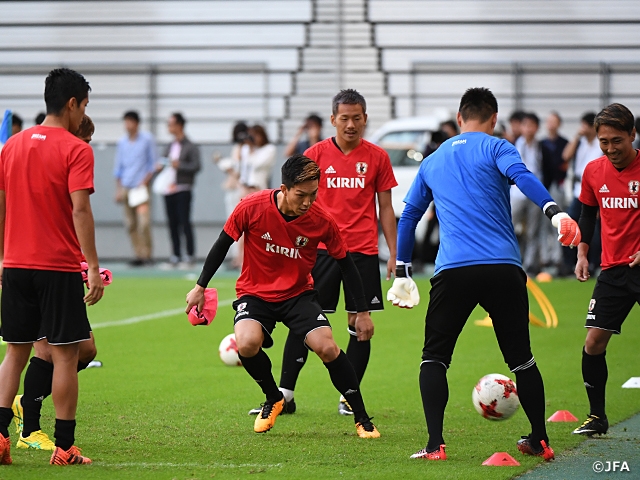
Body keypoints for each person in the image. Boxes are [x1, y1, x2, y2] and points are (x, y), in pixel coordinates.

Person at [387, 87, 581, 461]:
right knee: (522, 359)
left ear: (459, 119)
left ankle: (434, 446)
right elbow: (523, 178)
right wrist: (555, 211)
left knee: (434, 359)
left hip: (453, 270)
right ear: (493, 119)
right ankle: (540, 440)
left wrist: (402, 271)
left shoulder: (433, 159)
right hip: (502, 268)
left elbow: (409, 216)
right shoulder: (498, 147)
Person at [185, 154, 380, 438]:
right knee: (247, 343)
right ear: (284, 188)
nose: (307, 202)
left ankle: (362, 417)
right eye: (301, 195)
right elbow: (223, 243)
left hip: (298, 295)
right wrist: (200, 286)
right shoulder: (251, 206)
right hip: (255, 294)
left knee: (326, 347)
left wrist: (362, 311)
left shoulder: (322, 220)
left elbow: (346, 265)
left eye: (313, 195)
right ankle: (274, 398)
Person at [249, 89, 397, 417]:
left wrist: (393, 253)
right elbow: (292, 203)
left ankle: (349, 396)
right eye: (344, 118)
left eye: (357, 118)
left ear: (365, 119)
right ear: (333, 120)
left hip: (361, 252)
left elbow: (385, 207)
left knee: (361, 324)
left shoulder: (377, 157)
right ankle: (284, 395)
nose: (350, 124)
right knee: (303, 322)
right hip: (318, 251)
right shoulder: (314, 154)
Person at [0, 67, 102, 466]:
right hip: (57, 267)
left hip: (16, 265)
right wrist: (92, 265)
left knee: (14, 354)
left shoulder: (11, 146)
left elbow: (2, 206)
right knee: (64, 356)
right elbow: (80, 209)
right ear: (73, 103)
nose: (83, 116)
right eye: (85, 107)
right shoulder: (77, 149)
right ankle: (64, 447)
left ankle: (1, 438)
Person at [571, 103, 640, 437]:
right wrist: (582, 253)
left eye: (617, 140)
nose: (611, 148)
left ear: (632, 135)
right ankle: (596, 417)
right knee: (594, 342)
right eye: (604, 141)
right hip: (613, 271)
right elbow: (587, 214)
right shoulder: (593, 171)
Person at [113, 110, 157, 266]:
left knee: (143, 222)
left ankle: (147, 254)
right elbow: (118, 168)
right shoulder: (122, 142)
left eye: (130, 121)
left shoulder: (147, 140)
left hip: (140, 187)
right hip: (126, 186)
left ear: (137, 123)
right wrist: (118, 190)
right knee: (130, 224)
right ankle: (138, 254)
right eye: (126, 122)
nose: (127, 125)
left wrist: (145, 181)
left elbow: (153, 164)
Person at [562, 112, 602, 273]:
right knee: (570, 225)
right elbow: (565, 156)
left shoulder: (601, 143)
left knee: (594, 228)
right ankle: (569, 263)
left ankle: (594, 263)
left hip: (596, 189)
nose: (584, 128)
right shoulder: (580, 143)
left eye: (587, 125)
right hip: (578, 189)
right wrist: (577, 136)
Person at [162, 112, 201, 268]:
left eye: (171, 124)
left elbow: (196, 166)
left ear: (179, 125)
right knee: (172, 223)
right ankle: (176, 255)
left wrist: (180, 166)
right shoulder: (170, 146)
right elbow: (165, 163)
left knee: (184, 221)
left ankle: (189, 255)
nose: (169, 127)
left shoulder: (190, 146)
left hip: (183, 188)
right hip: (168, 188)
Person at [511, 113, 544, 275]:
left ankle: (530, 265)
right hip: (516, 192)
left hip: (535, 193)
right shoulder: (513, 144)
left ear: (537, 128)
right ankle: (508, 261)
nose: (529, 129)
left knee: (533, 231)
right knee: (508, 226)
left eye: (532, 125)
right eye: (526, 125)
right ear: (521, 127)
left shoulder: (541, 146)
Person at [214, 122, 248, 268]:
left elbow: (236, 169)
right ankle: (237, 257)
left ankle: (239, 258)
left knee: (236, 224)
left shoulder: (243, 149)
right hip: (238, 188)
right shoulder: (243, 148)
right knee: (237, 224)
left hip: (239, 188)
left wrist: (222, 163)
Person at [541, 112, 570, 275]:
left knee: (558, 222)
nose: (551, 124)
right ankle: (545, 258)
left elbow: (564, 164)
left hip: (558, 185)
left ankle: (558, 259)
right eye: (549, 121)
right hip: (543, 186)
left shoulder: (564, 143)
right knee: (543, 226)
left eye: (554, 121)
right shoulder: (542, 143)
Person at [239, 125, 276, 196]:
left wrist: (252, 150)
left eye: (256, 135)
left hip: (259, 186)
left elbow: (257, 164)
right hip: (245, 187)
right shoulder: (246, 148)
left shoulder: (269, 149)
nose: (254, 138)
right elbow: (244, 166)